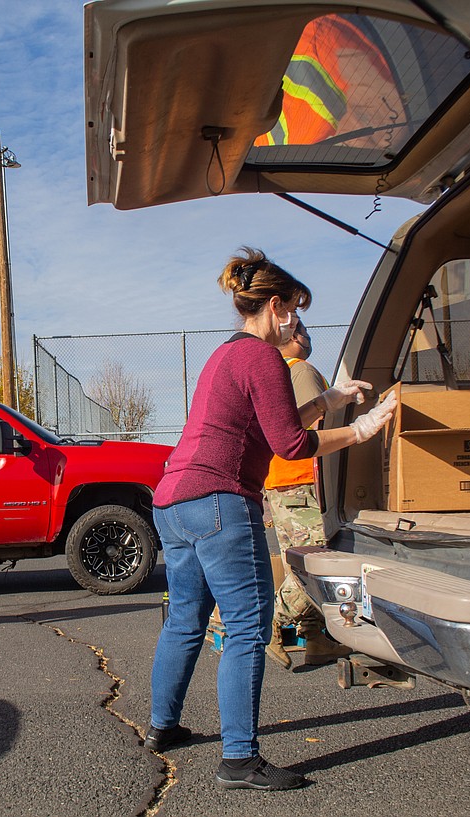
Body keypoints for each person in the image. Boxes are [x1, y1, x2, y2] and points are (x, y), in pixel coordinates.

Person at [143, 247, 396, 791]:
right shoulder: (263, 357)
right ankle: (238, 760)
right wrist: (361, 429)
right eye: (297, 312)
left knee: (186, 619)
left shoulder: (224, 356)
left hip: (173, 501)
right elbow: (290, 442)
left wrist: (329, 397)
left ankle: (161, 727)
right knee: (247, 627)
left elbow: (266, 427)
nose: (300, 324)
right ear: (276, 307)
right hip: (218, 502)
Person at [263, 323, 367, 670]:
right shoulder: (302, 370)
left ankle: (315, 638)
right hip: (304, 479)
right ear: (293, 337)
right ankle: (272, 625)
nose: (308, 337)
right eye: (304, 330)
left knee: (301, 559)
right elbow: (315, 428)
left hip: (282, 480)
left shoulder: (276, 372)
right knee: (317, 562)